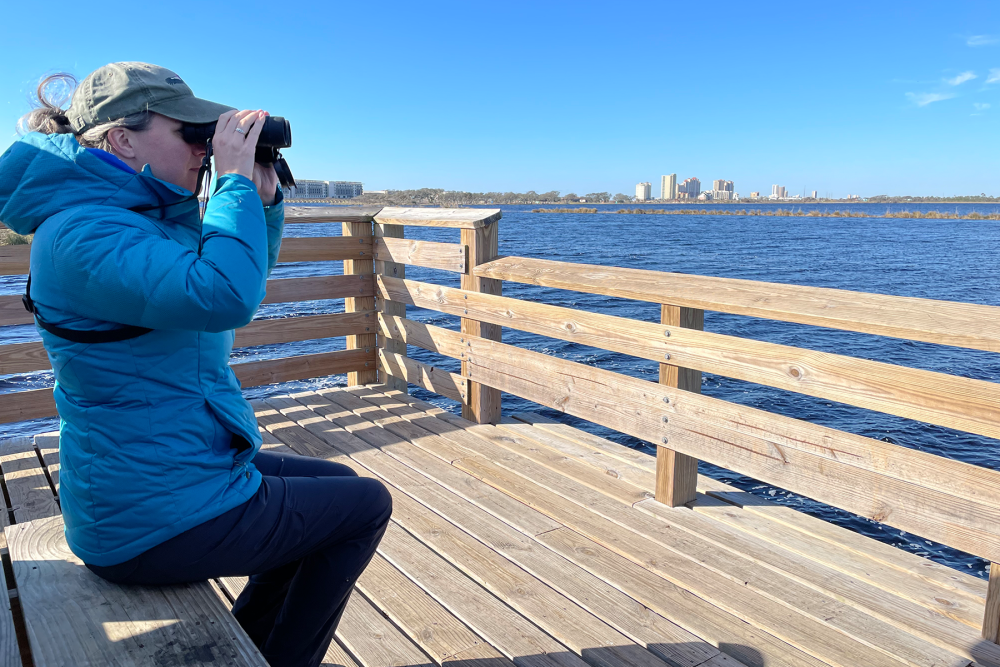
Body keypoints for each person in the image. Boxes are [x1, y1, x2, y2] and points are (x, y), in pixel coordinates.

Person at [0, 62, 391, 667]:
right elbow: (223, 297)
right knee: (366, 507)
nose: (204, 146)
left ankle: (257, 649)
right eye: (190, 132)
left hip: (164, 474)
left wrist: (259, 204)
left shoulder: (140, 219)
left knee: (341, 487)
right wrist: (230, 185)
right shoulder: (85, 232)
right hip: (145, 520)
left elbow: (241, 280)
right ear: (121, 139)